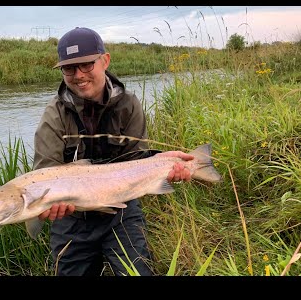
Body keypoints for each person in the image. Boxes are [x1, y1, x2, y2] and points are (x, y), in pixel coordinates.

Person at [33, 27, 193, 276]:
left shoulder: (128, 105)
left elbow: (136, 162)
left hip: (122, 212)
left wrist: (161, 166)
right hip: (73, 219)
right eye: (69, 68)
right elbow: (44, 175)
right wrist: (48, 203)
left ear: (104, 61)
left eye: (86, 65)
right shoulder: (53, 115)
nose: (78, 75)